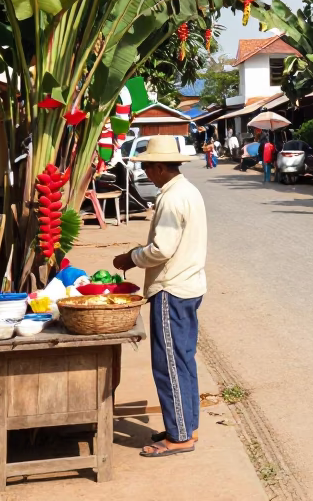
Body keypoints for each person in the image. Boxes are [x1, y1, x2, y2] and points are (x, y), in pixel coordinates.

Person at [112, 136, 207, 458]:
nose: (147, 174)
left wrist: (132, 257)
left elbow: (161, 249)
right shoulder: (187, 191)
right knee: (182, 360)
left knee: (169, 364)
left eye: (149, 168)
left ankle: (180, 436)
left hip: (172, 288)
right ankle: (184, 425)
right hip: (189, 285)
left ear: (161, 167)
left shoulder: (172, 198)